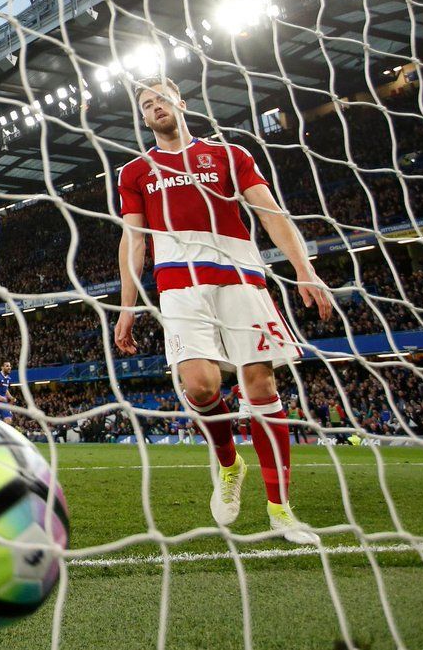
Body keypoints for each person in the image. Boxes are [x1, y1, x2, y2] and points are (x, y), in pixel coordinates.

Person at [114, 76, 333, 545]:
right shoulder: (135, 172)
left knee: (261, 384)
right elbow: (133, 240)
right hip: (179, 285)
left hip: (241, 277)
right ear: (142, 116)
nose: (155, 107)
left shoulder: (230, 155)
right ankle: (230, 463)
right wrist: (126, 306)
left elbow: (271, 213)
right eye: (146, 104)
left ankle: (280, 511)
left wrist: (305, 270)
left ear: (181, 102)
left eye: (161, 99)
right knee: (200, 384)